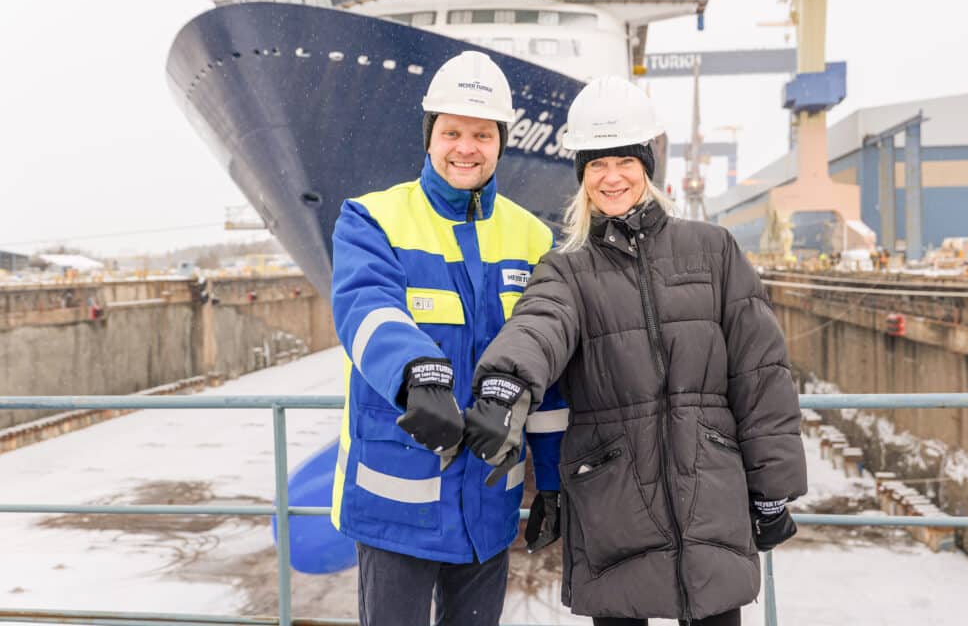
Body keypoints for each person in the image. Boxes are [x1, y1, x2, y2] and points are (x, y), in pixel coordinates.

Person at [465, 76, 808, 625]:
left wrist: (773, 488)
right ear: (582, 177)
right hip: (614, 499)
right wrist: (505, 382)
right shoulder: (567, 269)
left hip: (710, 493)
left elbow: (761, 372)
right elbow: (539, 323)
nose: (611, 176)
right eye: (596, 164)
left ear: (647, 166)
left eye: (624, 160)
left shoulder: (712, 251)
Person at [329, 50, 567, 626]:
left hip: (487, 507)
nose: (467, 147)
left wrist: (553, 483)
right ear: (429, 136)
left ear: (501, 142)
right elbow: (366, 307)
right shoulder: (372, 218)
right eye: (453, 131)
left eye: (482, 134)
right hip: (395, 505)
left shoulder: (532, 236)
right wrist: (418, 374)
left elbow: (546, 365)